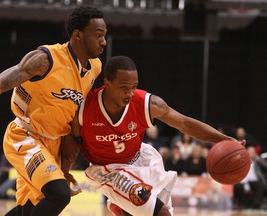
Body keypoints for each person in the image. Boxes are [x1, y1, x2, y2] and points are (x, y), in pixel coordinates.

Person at [64, 56, 245, 216]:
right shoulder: (85, 109)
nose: (129, 93)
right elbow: (71, 144)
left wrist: (226, 139)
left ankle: (123, 208)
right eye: (124, 87)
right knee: (161, 213)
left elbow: (184, 123)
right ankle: (122, 206)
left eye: (134, 87)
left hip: (141, 159)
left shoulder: (147, 104)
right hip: (105, 170)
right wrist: (64, 173)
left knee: (152, 211)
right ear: (107, 82)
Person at [0, 5, 107, 216]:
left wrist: (65, 165)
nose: (103, 41)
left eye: (104, 35)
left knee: (28, 208)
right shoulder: (46, 60)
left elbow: (73, 113)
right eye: (98, 35)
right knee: (59, 195)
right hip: (25, 136)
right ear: (78, 35)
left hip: (53, 142)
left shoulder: (95, 67)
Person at [233, 145, 267, 209]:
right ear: (246, 152)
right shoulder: (241, 160)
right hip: (243, 180)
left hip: (255, 181)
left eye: (253, 152)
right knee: (237, 187)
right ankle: (248, 204)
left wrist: (258, 159)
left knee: (260, 186)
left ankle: (256, 204)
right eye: (250, 152)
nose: (252, 153)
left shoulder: (258, 160)